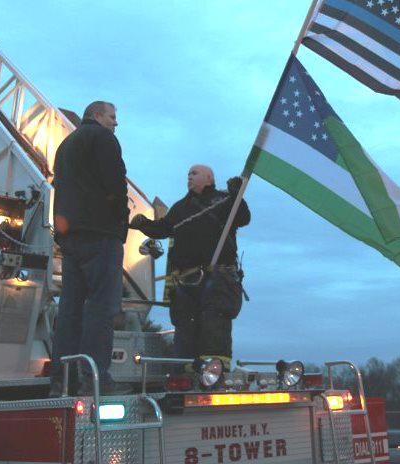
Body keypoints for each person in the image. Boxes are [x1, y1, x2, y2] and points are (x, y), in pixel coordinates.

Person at [130, 165, 250, 371]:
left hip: (217, 278)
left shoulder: (224, 201)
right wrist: (143, 224)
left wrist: (237, 194)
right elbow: (164, 229)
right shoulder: (180, 208)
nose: (189, 177)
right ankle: (185, 374)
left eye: (194, 173)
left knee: (214, 327)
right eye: (188, 174)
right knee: (185, 330)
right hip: (186, 282)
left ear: (209, 177)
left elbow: (243, 218)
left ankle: (213, 373)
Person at [49, 101, 129, 397]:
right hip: (100, 233)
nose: (115, 123)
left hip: (71, 238)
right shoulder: (103, 138)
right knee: (101, 307)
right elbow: (114, 183)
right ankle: (95, 377)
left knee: (70, 308)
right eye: (113, 116)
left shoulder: (66, 145)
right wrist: (121, 217)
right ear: (96, 115)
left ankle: (62, 378)